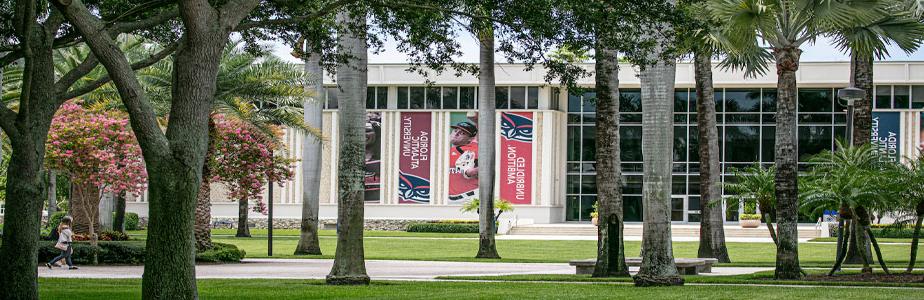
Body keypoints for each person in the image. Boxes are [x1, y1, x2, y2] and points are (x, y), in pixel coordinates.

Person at [448, 120, 479, 203]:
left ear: (470, 139)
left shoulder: (473, 150)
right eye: (455, 130)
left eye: (462, 133)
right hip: (450, 199)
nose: (456, 133)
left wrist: (474, 171)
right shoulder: (449, 150)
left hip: (470, 198)